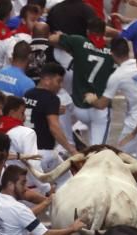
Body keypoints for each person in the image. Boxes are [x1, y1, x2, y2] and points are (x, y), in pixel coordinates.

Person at [51, 17, 116, 146]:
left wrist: (63, 38)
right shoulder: (112, 51)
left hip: (78, 107)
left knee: (61, 99)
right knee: (97, 150)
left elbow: (52, 40)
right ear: (104, 33)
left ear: (87, 31)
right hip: (99, 108)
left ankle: (69, 142)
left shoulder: (78, 41)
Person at [24, 62, 75, 165]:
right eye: (59, 81)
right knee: (67, 180)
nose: (60, 86)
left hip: (26, 150)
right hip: (44, 153)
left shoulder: (28, 93)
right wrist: (71, 149)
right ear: (47, 80)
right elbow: (54, 128)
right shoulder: (52, 99)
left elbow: (37, 112)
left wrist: (53, 111)